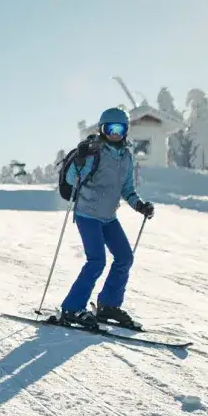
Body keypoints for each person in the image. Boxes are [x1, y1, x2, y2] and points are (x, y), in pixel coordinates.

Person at [57, 107, 155, 329]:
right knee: (97, 261)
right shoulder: (94, 152)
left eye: (119, 129)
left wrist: (139, 205)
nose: (114, 133)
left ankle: (108, 305)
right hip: (87, 214)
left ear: (126, 131)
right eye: (109, 128)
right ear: (102, 129)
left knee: (125, 258)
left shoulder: (127, 157)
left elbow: (128, 189)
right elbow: (73, 179)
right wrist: (80, 158)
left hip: (108, 217)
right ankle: (72, 308)